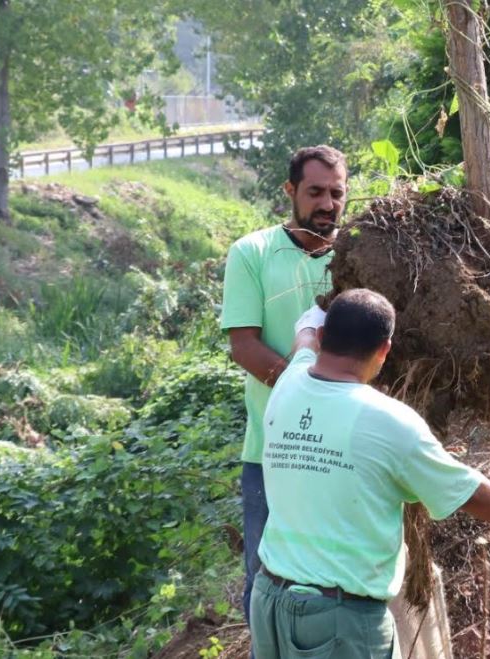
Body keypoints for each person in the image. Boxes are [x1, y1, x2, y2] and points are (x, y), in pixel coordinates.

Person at [251, 289, 490, 658]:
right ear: (384, 350)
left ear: (327, 338)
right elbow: (465, 488)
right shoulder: (389, 421)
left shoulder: (289, 383)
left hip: (269, 601)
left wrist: (317, 311)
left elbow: (304, 337)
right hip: (337, 621)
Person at [220, 145, 346, 633]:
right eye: (315, 192)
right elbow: (244, 347)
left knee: (336, 581)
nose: (327, 204)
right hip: (270, 452)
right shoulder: (252, 253)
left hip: (345, 450)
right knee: (265, 578)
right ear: (290, 191)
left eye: (337, 193)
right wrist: (308, 389)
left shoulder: (358, 254)